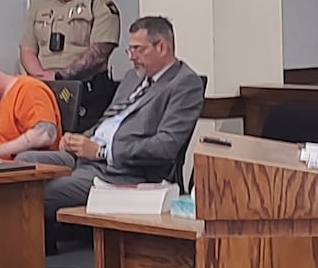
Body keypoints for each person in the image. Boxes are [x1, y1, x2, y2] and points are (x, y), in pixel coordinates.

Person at [17, 16, 204, 224]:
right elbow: (109, 121)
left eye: (138, 49)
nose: (131, 57)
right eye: (129, 50)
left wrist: (102, 152)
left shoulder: (185, 83)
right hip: (88, 157)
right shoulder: (133, 77)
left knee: (41, 192)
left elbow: (165, 146)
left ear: (162, 48)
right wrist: (77, 139)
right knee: (23, 163)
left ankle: (28, 253)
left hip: (123, 172)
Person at [20, 0, 121, 130]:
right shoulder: (40, 6)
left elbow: (100, 52)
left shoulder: (99, 3)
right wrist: (40, 77)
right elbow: (27, 49)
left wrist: (59, 77)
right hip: (43, 88)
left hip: (85, 92)